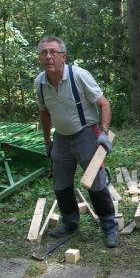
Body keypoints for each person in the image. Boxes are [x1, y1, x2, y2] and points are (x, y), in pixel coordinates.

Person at [34, 36, 118, 248]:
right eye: (44, 53)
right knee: (61, 184)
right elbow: (44, 114)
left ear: (63, 56)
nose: (48, 56)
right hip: (60, 138)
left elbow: (104, 104)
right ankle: (70, 223)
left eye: (53, 52)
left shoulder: (79, 76)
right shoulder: (40, 83)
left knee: (96, 182)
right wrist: (47, 142)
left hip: (85, 134)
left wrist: (103, 134)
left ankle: (109, 225)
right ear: (39, 58)